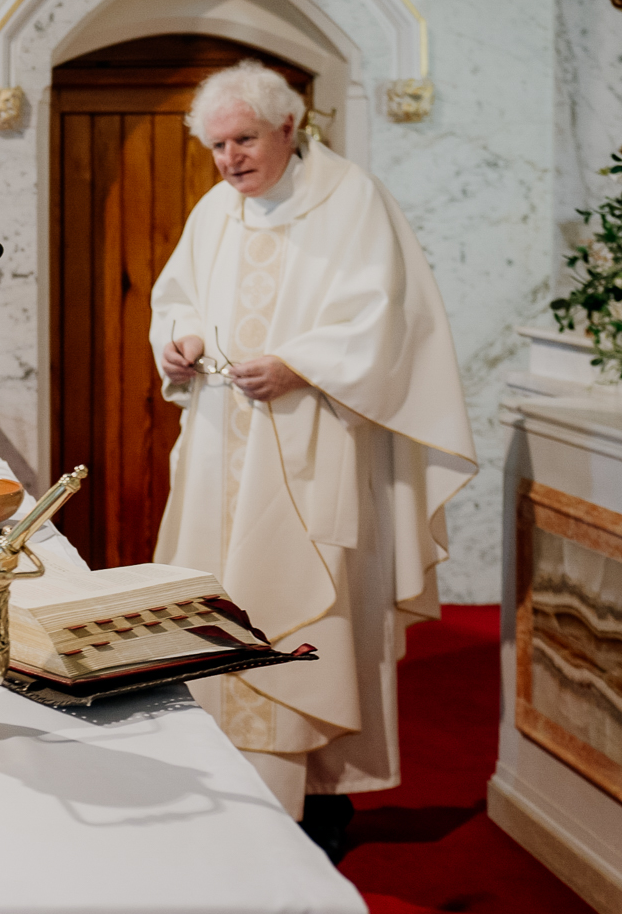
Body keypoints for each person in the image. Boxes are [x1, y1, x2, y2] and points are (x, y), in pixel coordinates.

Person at [148, 61, 476, 861]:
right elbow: (178, 299)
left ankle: (317, 805)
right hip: (226, 445)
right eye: (218, 145)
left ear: (289, 127)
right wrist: (181, 344)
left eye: (244, 139)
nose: (229, 159)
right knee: (216, 603)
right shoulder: (215, 212)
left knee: (313, 610)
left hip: (312, 448)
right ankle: (223, 792)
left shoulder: (352, 200)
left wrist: (299, 363)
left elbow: (381, 319)